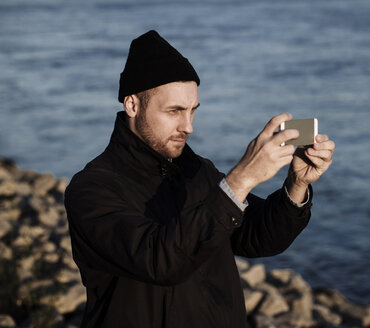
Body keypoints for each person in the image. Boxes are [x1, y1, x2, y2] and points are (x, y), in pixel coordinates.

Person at [64, 30, 335, 328]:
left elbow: (257, 237)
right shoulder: (91, 188)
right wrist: (241, 179)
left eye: (193, 110)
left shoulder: (198, 171)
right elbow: (159, 260)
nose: (188, 126)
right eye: (174, 111)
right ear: (132, 105)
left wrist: (296, 186)